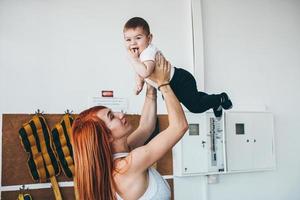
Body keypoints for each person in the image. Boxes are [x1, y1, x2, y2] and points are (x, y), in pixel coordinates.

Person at [71, 53, 188, 200]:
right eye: (111, 117)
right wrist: (163, 83)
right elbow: (179, 126)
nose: (120, 114)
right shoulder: (128, 166)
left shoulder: (122, 154)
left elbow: (146, 126)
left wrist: (150, 82)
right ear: (107, 137)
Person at [123, 17, 232, 119]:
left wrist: (133, 60)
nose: (133, 43)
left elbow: (145, 72)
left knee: (195, 107)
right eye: (128, 39)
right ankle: (214, 102)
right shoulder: (139, 56)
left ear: (149, 38)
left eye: (138, 38)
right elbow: (139, 71)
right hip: (171, 84)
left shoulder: (148, 52)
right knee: (193, 99)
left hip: (180, 81)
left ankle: (220, 98)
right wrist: (139, 84)